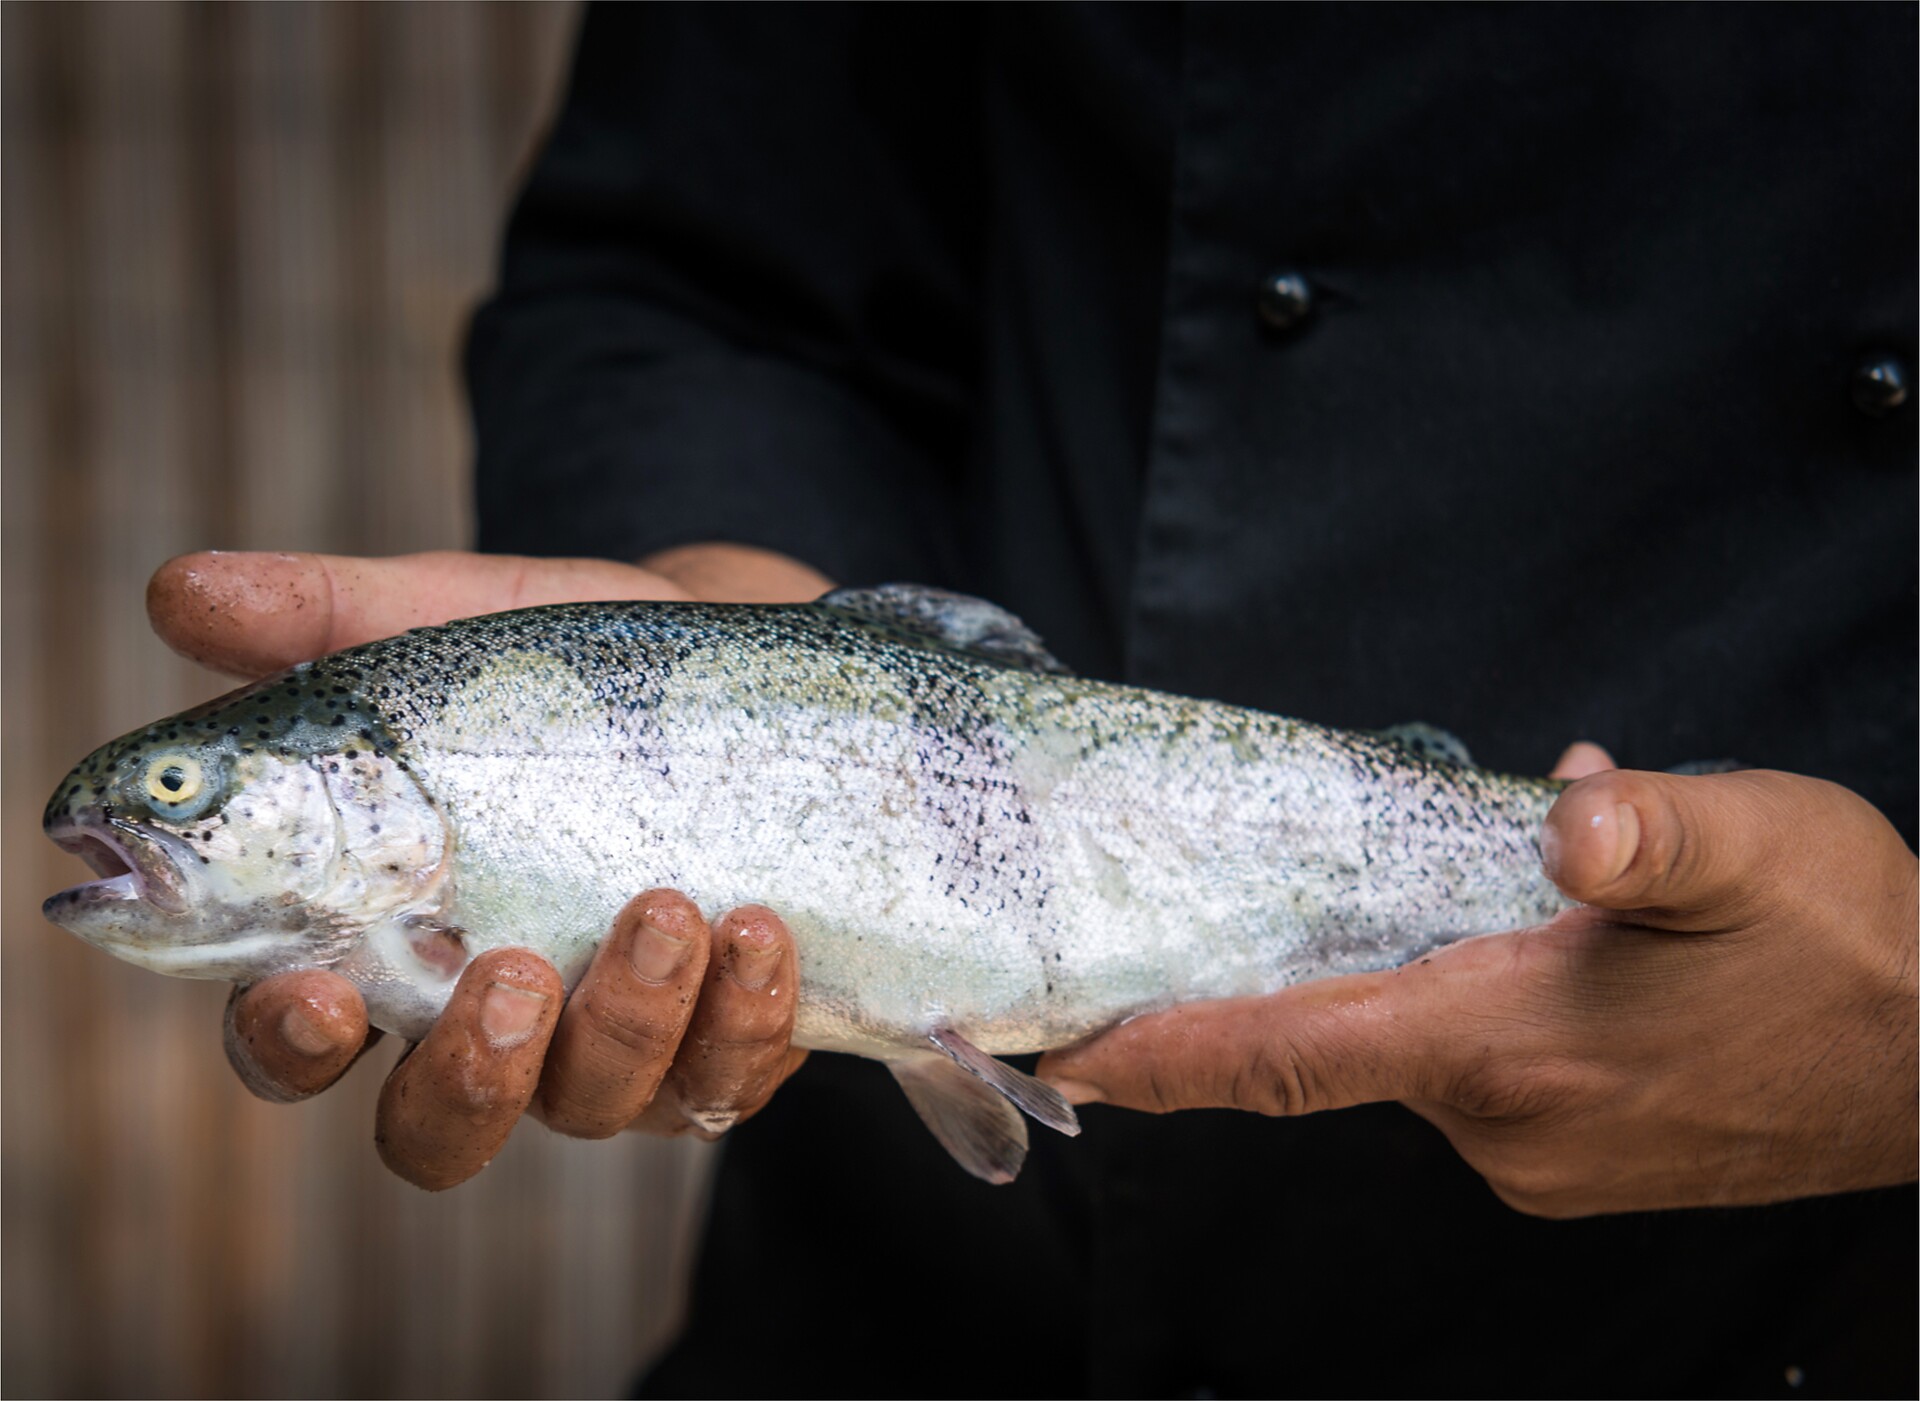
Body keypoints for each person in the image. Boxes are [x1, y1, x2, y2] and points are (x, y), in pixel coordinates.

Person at [147, 6, 1916, 1394]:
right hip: (920, 1322)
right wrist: (737, 598)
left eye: (177, 799)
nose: (152, 823)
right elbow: (691, 263)